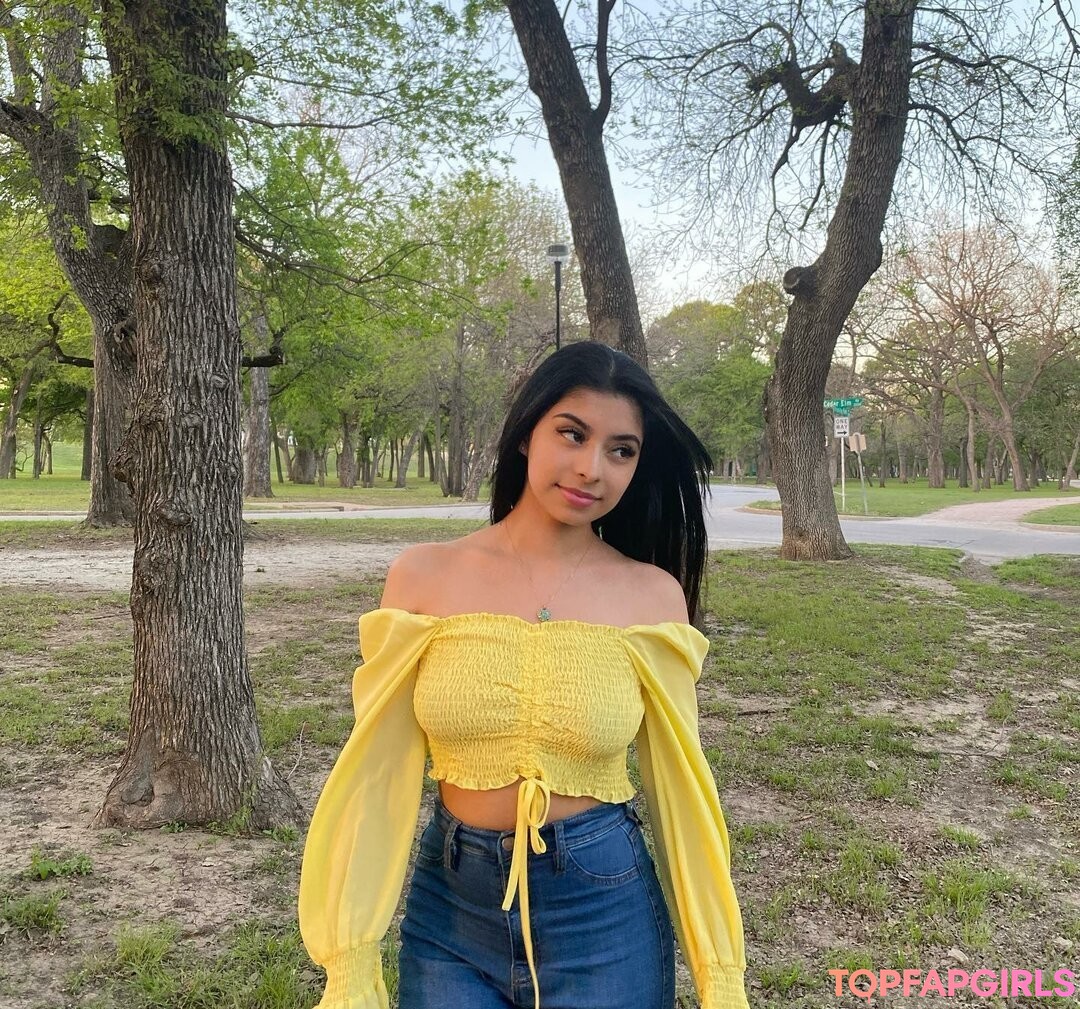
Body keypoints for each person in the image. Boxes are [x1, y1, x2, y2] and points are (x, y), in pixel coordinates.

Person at [298, 341, 749, 1009]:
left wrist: (720, 970)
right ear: (525, 433)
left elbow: (681, 786)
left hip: (604, 909)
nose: (592, 468)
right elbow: (375, 769)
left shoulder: (652, 597)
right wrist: (350, 948)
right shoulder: (423, 577)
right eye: (572, 434)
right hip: (452, 909)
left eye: (621, 450)